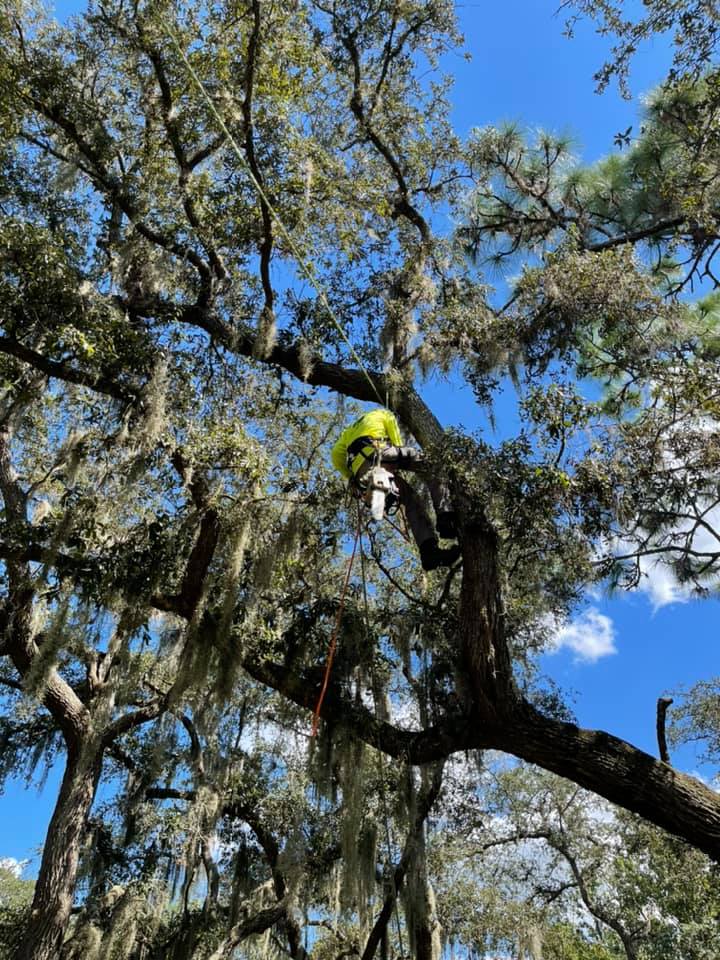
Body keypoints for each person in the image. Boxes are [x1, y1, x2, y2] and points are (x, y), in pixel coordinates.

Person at [331, 408, 460, 571]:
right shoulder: (383, 413)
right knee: (432, 466)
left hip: (362, 470)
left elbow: (336, 455)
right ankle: (446, 517)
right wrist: (399, 457)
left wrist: (351, 478)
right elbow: (397, 441)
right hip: (381, 452)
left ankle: (429, 552)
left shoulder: (347, 433)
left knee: (409, 498)